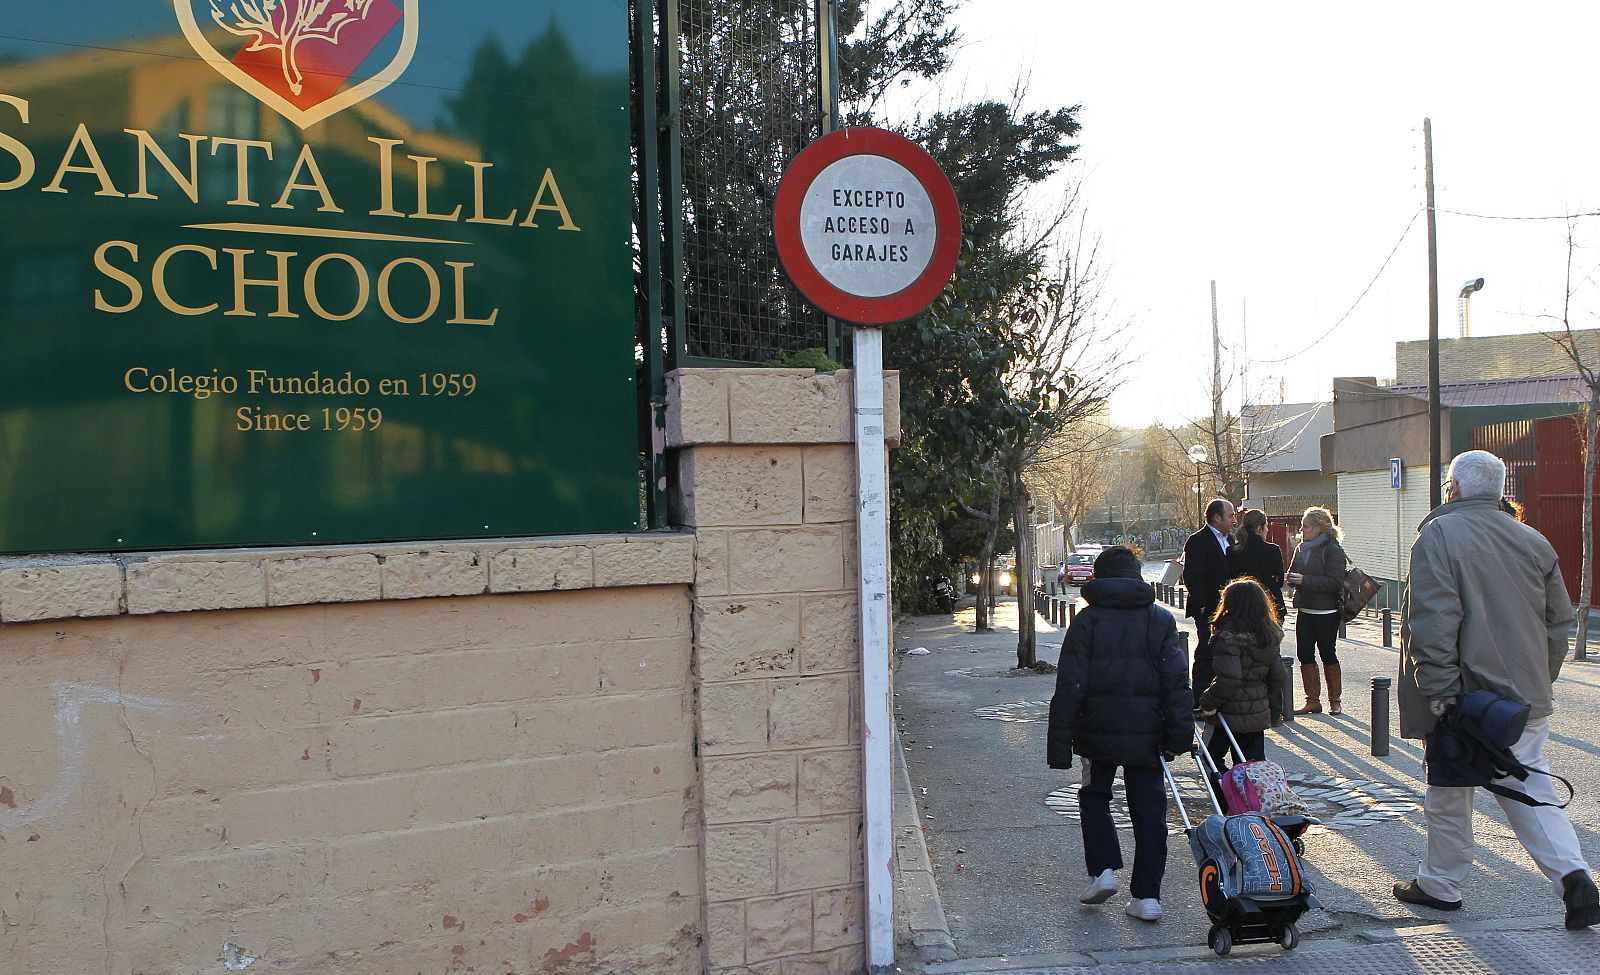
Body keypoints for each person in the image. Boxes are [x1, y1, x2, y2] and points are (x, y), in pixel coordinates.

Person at [1393, 450, 1599, 930]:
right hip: (1521, 702)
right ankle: (1572, 876)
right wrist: (1538, 680)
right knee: (1529, 786)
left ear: (1455, 488)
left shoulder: (1439, 535)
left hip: (1463, 695)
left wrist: (1439, 688)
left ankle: (1441, 883)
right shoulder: (1533, 539)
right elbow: (1558, 623)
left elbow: (1434, 619)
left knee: (1448, 789)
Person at [1047, 546, 1193, 923]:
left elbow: (1070, 685)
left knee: (1095, 794)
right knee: (1149, 810)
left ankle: (1104, 871)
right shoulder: (1160, 620)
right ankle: (1147, 896)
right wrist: (1179, 736)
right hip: (1148, 734)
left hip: (1097, 731)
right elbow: (1176, 683)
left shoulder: (1087, 621)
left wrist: (1060, 746)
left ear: (1100, 577)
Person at [1197, 579, 1286, 776]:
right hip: (1255, 712)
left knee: (1211, 759)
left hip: (1226, 712)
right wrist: (1259, 696)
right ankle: (1249, 802)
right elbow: (1278, 675)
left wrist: (1208, 702)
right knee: (1252, 766)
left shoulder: (1227, 635)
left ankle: (1225, 799)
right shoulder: (1268, 636)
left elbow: (1230, 677)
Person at [1285, 506, 1348, 715]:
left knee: (1328, 653)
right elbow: (1294, 571)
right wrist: (1291, 579)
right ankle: (1312, 700)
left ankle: (1334, 700)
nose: (1302, 531)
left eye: (1306, 527)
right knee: (1304, 654)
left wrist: (1305, 580)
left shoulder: (1333, 550)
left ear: (1319, 528)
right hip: (1305, 609)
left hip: (1326, 612)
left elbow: (1334, 582)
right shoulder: (1301, 548)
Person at [1182, 498, 1236, 707]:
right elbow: (1192, 576)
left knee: (1226, 651)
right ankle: (1200, 699)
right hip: (1208, 609)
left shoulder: (1231, 540)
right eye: (1230, 516)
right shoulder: (1198, 540)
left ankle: (1222, 697)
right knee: (1206, 651)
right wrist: (1203, 604)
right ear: (1217, 517)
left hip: (1229, 608)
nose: (1234, 520)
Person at [1228, 508, 1286, 618]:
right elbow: (1280, 580)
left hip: (1242, 605)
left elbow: (1232, 576)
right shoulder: (1272, 550)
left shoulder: (1232, 551)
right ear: (1260, 528)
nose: (1267, 530)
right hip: (1270, 604)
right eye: (1266, 526)